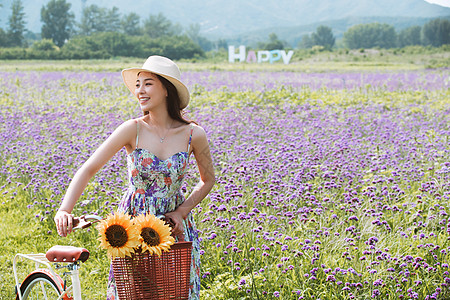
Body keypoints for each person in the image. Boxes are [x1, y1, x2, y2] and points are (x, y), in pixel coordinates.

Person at [54, 55, 215, 299]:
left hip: (173, 227)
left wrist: (182, 211)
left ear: (167, 89)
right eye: (138, 84)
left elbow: (208, 179)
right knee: (134, 292)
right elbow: (88, 169)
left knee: (174, 292)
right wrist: (65, 209)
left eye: (148, 83)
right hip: (131, 224)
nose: (140, 90)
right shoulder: (133, 129)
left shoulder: (194, 134)